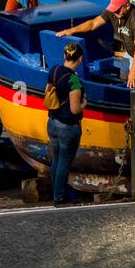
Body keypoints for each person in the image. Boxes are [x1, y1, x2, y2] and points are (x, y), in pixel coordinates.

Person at [57, 0, 135, 89]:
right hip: (131, 49)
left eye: (117, 10)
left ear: (127, 6)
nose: (114, 12)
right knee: (123, 77)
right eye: (113, 9)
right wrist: (71, 30)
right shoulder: (113, 11)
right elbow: (93, 24)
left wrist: (133, 72)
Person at [46, 42, 85, 205]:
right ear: (80, 59)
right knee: (64, 162)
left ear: (64, 56)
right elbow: (75, 109)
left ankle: (56, 193)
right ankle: (59, 197)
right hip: (68, 127)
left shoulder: (54, 70)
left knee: (56, 160)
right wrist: (85, 103)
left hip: (52, 123)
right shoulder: (74, 80)